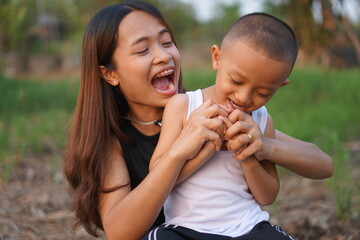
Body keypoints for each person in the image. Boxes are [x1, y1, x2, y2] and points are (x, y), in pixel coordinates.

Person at [63, 1, 333, 240]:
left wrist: (264, 147)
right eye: (143, 50)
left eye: (167, 42)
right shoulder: (115, 139)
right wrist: (182, 151)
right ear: (110, 74)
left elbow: (323, 164)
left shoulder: (214, 110)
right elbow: (121, 232)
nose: (163, 55)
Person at [146, 12, 309, 239]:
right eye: (236, 81)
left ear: (280, 86)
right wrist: (203, 149)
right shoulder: (183, 106)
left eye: (262, 92)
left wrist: (247, 154)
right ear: (217, 58)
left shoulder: (262, 120)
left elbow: (267, 196)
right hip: (186, 229)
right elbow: (158, 174)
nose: (244, 97)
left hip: (247, 227)